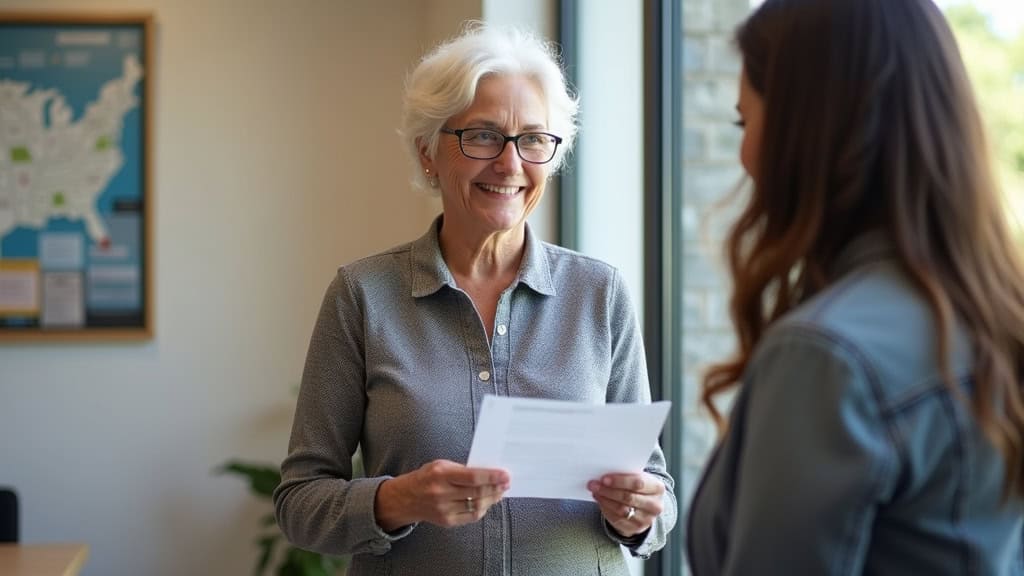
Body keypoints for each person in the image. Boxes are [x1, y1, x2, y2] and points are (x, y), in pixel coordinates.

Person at [273, 22, 677, 576]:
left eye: (533, 139)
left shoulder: (599, 293)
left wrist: (641, 510)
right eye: (483, 135)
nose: (510, 164)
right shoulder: (362, 296)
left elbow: (656, 496)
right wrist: (398, 501)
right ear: (428, 154)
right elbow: (299, 503)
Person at [686, 0, 1024, 574]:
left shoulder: (826, 357)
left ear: (805, 131)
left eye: (746, 122)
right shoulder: (998, 316)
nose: (744, 156)